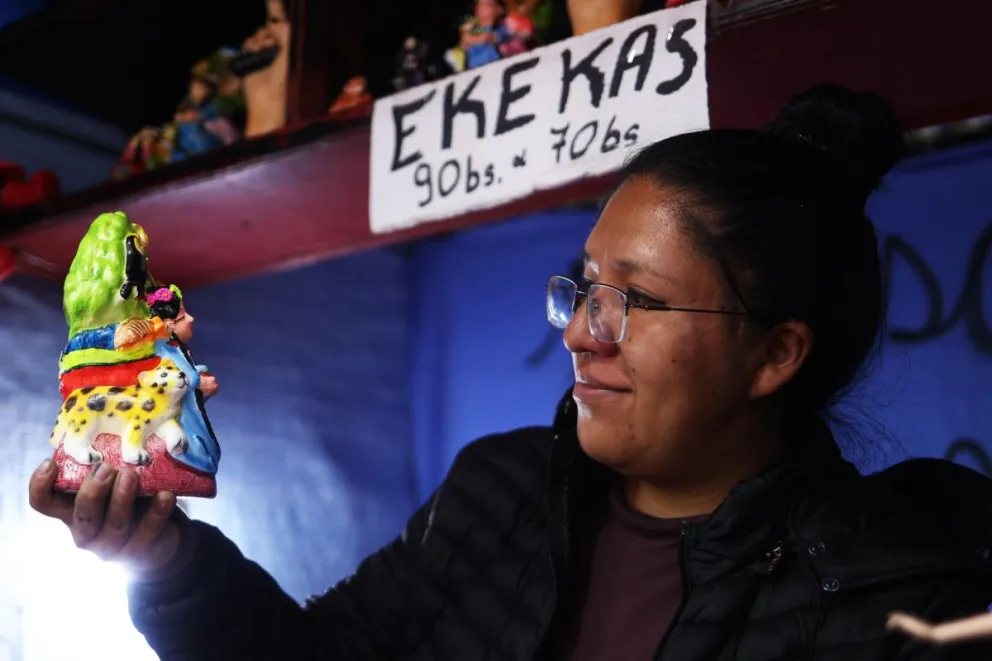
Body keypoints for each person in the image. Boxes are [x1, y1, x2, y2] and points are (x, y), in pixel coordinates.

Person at [28, 84, 992, 660]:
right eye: (581, 287)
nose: (580, 331)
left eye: (632, 300)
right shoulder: (499, 490)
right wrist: (165, 560)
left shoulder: (898, 599)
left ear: (777, 352)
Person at [146, 285, 221, 474]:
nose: (191, 319)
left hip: (191, 418)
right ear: (168, 324)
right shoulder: (159, 352)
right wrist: (198, 385)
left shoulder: (174, 348)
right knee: (196, 451)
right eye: (182, 317)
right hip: (173, 422)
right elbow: (168, 385)